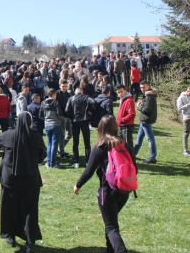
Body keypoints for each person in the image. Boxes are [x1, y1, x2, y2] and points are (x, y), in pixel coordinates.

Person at [74, 115, 137, 253]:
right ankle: (110, 250)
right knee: (111, 222)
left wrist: (78, 185)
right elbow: (135, 168)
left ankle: (120, 251)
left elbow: (89, 171)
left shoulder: (100, 146)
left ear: (101, 128)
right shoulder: (124, 144)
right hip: (124, 190)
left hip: (108, 191)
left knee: (111, 227)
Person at [0, 112, 46, 251]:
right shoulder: (36, 137)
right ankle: (29, 240)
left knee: (9, 207)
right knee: (29, 210)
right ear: (30, 122)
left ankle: (10, 235)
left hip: (10, 179)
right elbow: (42, 156)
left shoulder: (8, 135)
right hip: (30, 179)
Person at [66, 87, 96, 169]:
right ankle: (88, 161)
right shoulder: (86, 97)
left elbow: (67, 110)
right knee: (87, 142)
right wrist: (90, 111)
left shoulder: (71, 99)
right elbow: (94, 102)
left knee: (75, 142)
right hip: (85, 120)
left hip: (75, 121)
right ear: (82, 92)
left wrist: (71, 116)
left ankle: (76, 162)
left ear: (75, 92)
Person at [134, 80, 158, 164]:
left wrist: (139, 107)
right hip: (144, 120)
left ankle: (152, 157)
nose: (142, 89)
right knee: (139, 138)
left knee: (150, 138)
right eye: (141, 87)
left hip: (146, 120)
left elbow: (147, 110)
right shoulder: (149, 94)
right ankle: (133, 154)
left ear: (148, 86)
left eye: (144, 87)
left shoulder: (149, 96)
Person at [39, 89, 63, 168]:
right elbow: (59, 113)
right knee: (54, 144)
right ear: (53, 95)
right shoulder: (56, 102)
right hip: (56, 124)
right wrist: (59, 120)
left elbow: (40, 115)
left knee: (49, 143)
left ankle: (49, 162)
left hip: (47, 124)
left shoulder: (43, 103)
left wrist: (46, 119)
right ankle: (53, 163)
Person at [56, 80, 72, 158]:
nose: (64, 88)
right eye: (63, 86)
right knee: (62, 135)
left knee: (69, 134)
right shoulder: (57, 94)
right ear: (60, 86)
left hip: (68, 116)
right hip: (61, 116)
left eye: (65, 86)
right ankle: (61, 152)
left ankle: (60, 149)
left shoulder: (68, 94)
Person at [177, 85, 190, 156]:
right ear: (188, 90)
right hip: (187, 117)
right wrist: (188, 105)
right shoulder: (181, 97)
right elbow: (179, 108)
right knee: (186, 133)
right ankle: (185, 150)